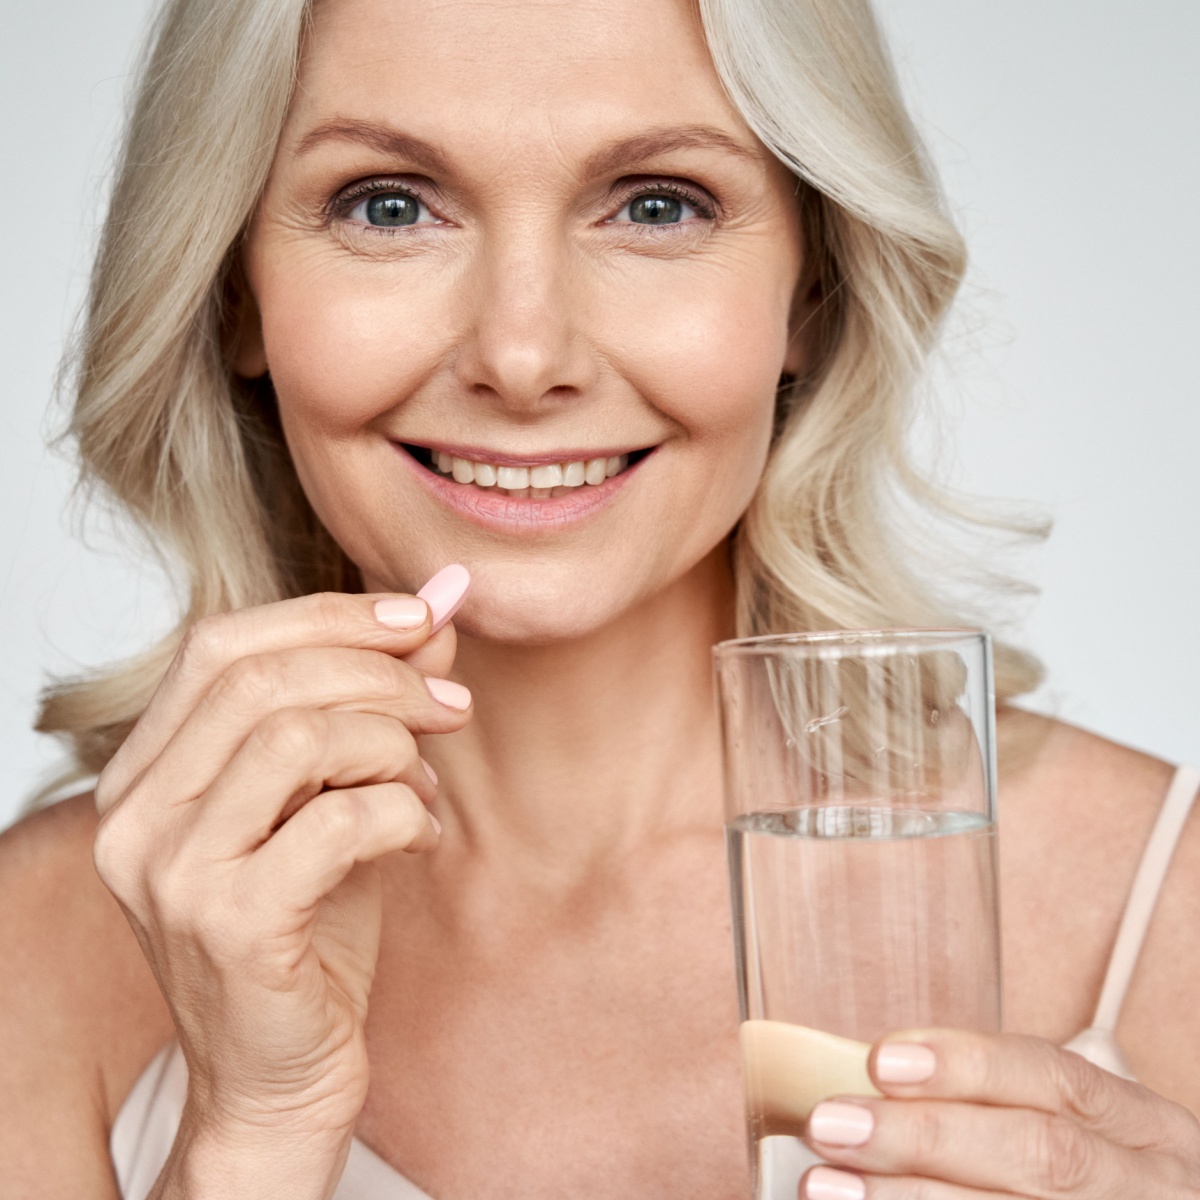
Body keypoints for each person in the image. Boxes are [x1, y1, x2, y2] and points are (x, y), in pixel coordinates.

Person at [1, 0, 1197, 1196]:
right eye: (389, 205)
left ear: (812, 295)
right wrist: (252, 1139)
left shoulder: (1156, 908)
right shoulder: (37, 951)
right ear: (234, 294)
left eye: (658, 205)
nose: (523, 358)